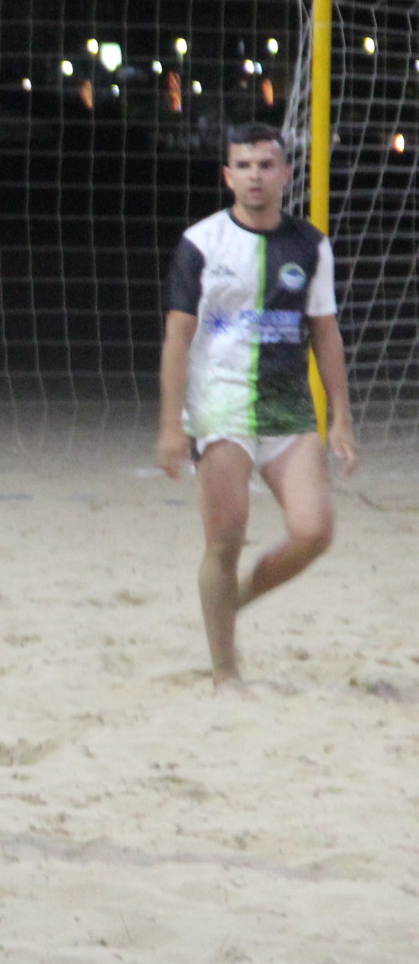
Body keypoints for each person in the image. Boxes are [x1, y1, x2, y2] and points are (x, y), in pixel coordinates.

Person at [156, 123, 356, 687]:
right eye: (243, 166)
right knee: (225, 539)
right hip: (220, 403)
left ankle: (236, 599)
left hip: (287, 406)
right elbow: (178, 336)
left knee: (315, 531)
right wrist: (171, 424)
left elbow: (326, 333)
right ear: (228, 176)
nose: (255, 176)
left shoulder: (310, 245)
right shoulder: (201, 243)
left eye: (266, 165)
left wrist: (341, 415)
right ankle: (226, 673)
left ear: (286, 174)